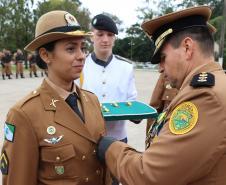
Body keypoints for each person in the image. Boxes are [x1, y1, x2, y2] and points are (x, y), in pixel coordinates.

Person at [96, 5, 226, 185]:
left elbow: (149, 175)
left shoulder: (205, 96)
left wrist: (109, 148)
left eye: (163, 58)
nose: (160, 68)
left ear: (187, 48)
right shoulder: (214, 85)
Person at [0, 10, 111, 185]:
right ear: (46, 55)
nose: (81, 55)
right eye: (71, 49)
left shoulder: (92, 101)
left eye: (82, 47)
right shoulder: (24, 114)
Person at [77, 14, 137, 185]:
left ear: (115, 38)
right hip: (88, 139)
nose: (105, 39)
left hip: (117, 140)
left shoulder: (126, 68)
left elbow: (132, 100)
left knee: (114, 181)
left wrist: (135, 114)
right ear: (91, 36)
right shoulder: (80, 66)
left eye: (110, 35)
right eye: (100, 34)